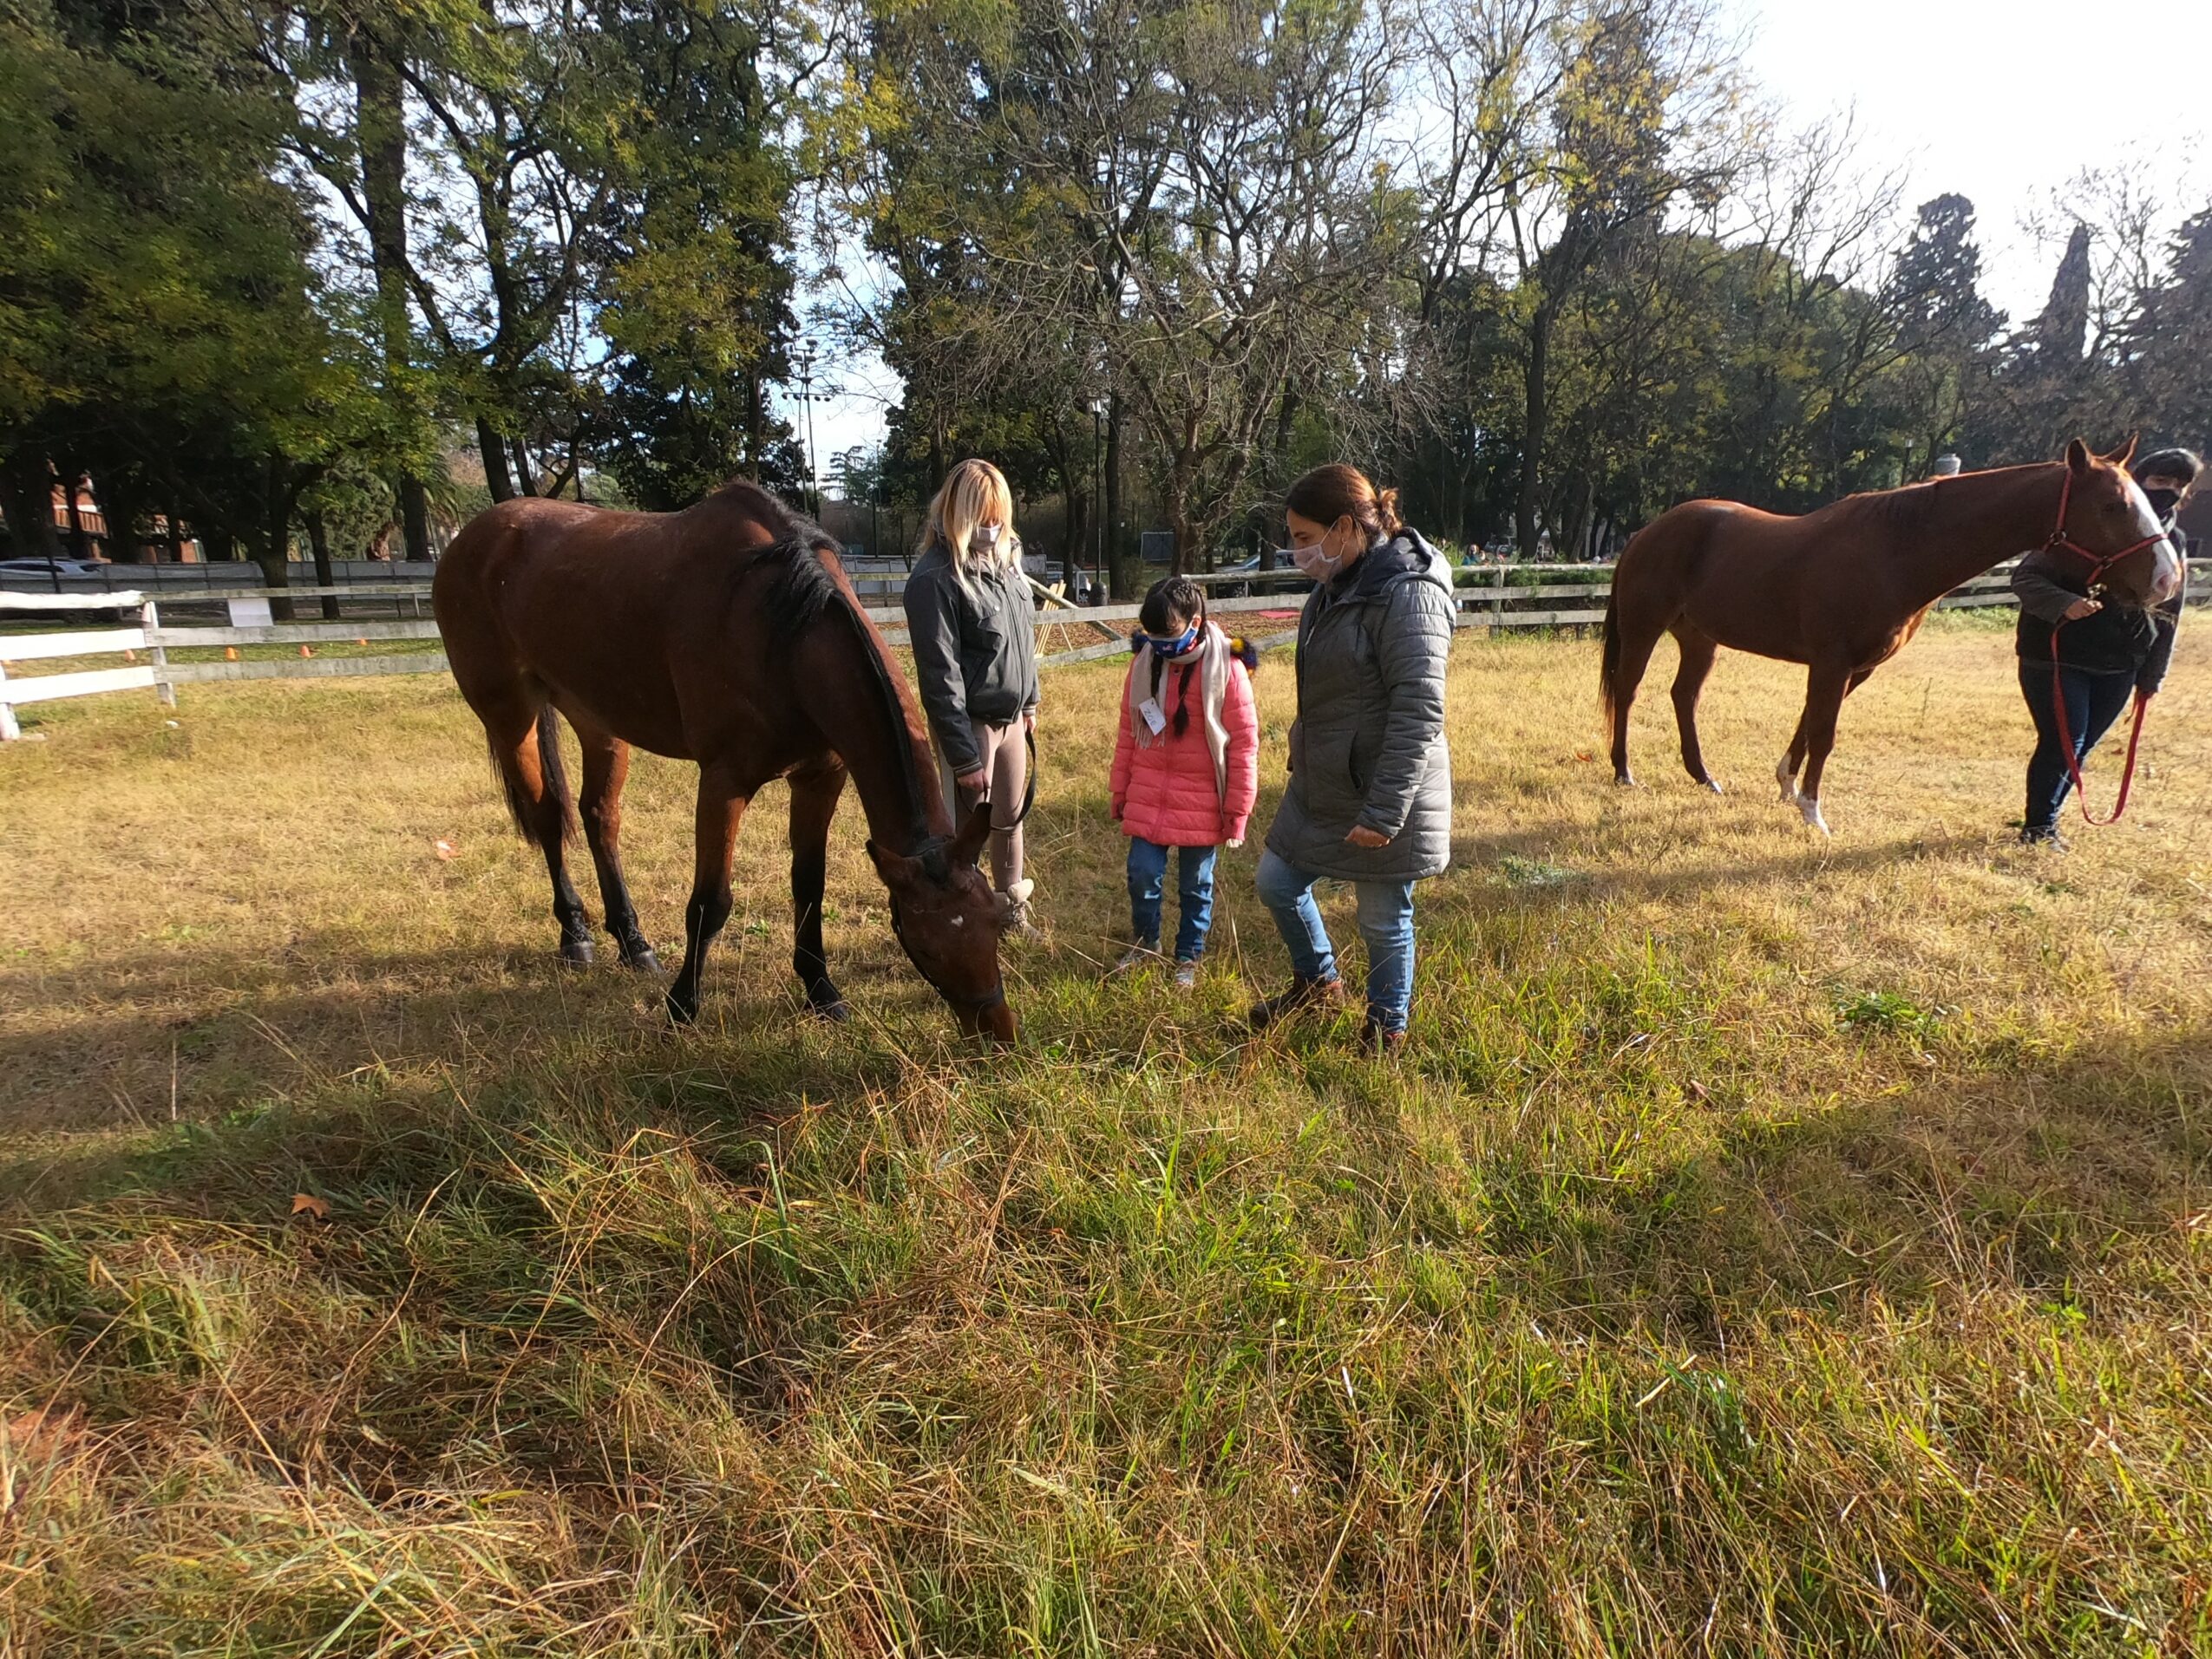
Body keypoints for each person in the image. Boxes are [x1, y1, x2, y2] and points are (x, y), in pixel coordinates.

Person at [1248, 463, 1456, 1053]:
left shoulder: (1409, 594)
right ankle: (1318, 982)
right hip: (1326, 781)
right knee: (1276, 881)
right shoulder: (1339, 582)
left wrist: (1386, 811)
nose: (1296, 552)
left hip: (1385, 789)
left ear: (1344, 528)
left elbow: (1418, 709)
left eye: (1304, 538)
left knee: (1382, 916)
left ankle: (1386, 1027)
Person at [2012, 446, 2199, 847]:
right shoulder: (2089, 520)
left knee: (2082, 747)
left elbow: (2171, 612)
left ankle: (2047, 816)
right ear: (2139, 478)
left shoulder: (2174, 540)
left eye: (2179, 485)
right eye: (2161, 481)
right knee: (2065, 741)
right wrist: (2066, 605)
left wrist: (2153, 674)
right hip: (2058, 654)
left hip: (2122, 660)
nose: (2170, 491)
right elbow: (2027, 578)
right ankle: (2039, 827)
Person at [902, 459, 1041, 923]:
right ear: (958, 512)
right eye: (983, 514)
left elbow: (1023, 637)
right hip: (973, 726)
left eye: (999, 512)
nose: (994, 524)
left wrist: (1031, 699)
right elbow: (940, 676)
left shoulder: (1005, 565)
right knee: (968, 831)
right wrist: (964, 757)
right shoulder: (935, 579)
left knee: (1010, 819)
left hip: (1013, 721)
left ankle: (1011, 911)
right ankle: (964, 915)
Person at [1109, 577, 1260, 989]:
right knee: (1142, 873)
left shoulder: (1227, 669)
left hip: (1204, 800)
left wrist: (1237, 811)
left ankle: (1189, 955)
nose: (1158, 643)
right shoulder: (1143, 664)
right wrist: (1120, 789)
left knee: (1196, 884)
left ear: (1195, 621)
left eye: (1168, 633)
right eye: (1152, 635)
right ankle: (1146, 943)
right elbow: (1129, 732)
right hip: (1149, 793)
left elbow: (1244, 746)